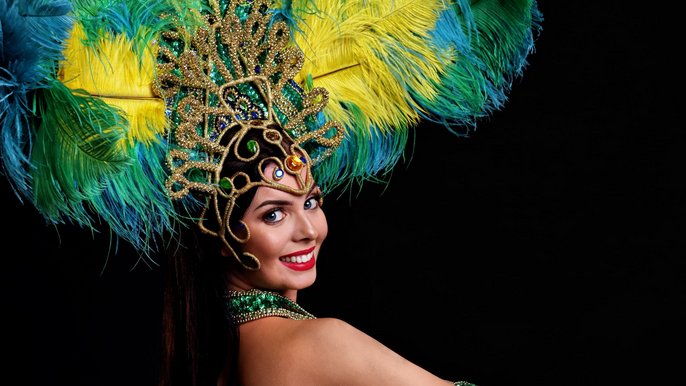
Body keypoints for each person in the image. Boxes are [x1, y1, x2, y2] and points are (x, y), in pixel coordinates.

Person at [0, 0, 541, 385]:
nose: (308, 229)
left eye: (309, 201)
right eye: (274, 214)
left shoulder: (223, 361)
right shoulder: (315, 343)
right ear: (219, 235)